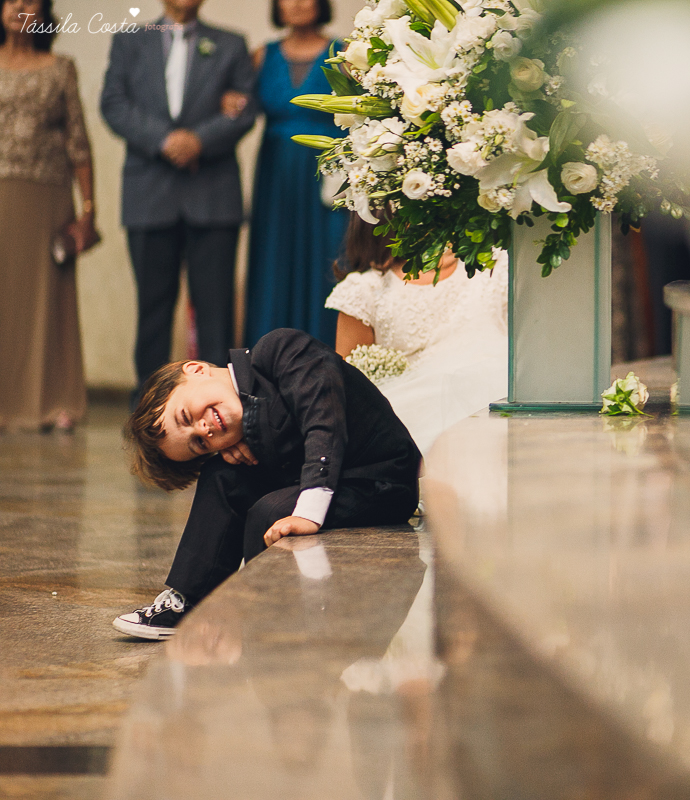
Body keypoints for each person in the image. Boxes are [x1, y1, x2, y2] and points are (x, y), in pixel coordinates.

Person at [113, 327, 421, 639]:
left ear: (195, 369)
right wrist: (242, 434)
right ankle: (192, 601)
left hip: (380, 479)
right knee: (222, 476)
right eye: (199, 444)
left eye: (184, 416)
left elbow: (323, 419)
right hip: (330, 478)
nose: (203, 429)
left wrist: (308, 511)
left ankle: (268, 614)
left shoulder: (281, 349)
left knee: (270, 513)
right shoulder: (238, 423)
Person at [100, 0, 257, 403]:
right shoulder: (130, 40)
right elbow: (114, 104)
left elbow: (244, 109)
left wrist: (199, 140)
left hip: (213, 197)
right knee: (152, 310)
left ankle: (221, 403)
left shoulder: (230, 44)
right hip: (148, 195)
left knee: (215, 312)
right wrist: (165, 140)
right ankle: (149, 407)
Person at [325, 217, 509, 455]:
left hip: (498, 407)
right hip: (415, 423)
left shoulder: (492, 266)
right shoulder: (364, 291)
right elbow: (349, 390)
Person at [0, 0, 100, 431]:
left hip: (47, 196)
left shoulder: (60, 67)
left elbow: (78, 140)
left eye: (31, 1)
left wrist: (89, 211)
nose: (21, 6)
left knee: (47, 300)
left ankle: (56, 400)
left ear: (43, 14)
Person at [243, 0, 348, 347]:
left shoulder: (346, 54)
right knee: (274, 262)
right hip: (275, 178)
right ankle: (268, 362)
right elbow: (238, 108)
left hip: (328, 176)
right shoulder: (261, 56)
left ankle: (327, 359)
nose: (299, 2)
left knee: (328, 260)